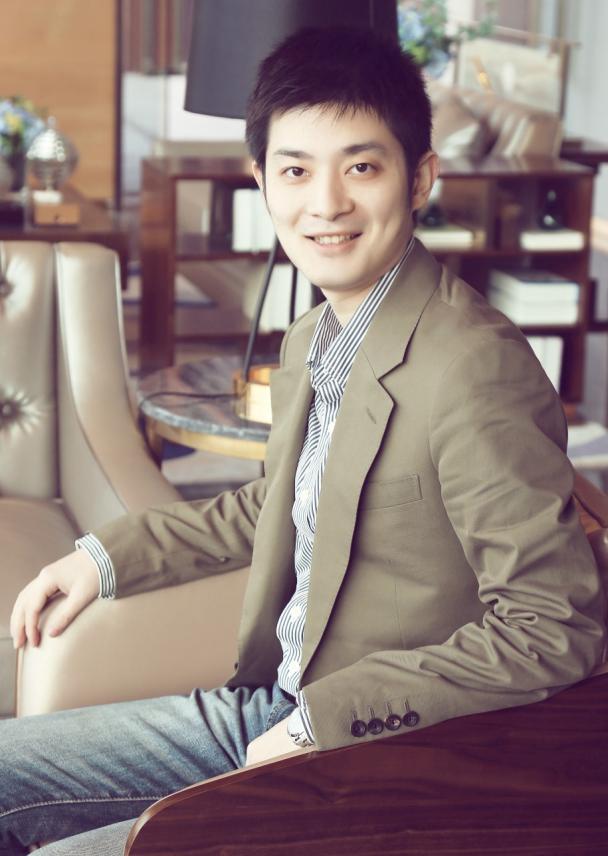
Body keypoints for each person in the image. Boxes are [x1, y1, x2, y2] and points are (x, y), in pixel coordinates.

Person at [2, 25, 606, 855]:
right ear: (260, 181)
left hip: (378, 757)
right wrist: (102, 559)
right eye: (294, 170)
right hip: (272, 707)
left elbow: (549, 626)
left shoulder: (474, 367)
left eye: (361, 167)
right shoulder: (313, 336)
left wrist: (327, 719)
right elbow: (279, 503)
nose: (325, 204)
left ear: (420, 178)